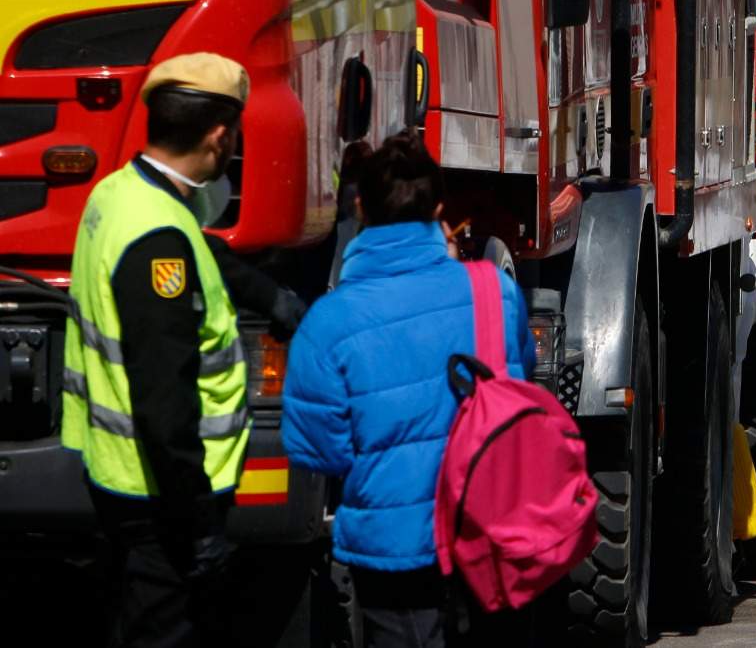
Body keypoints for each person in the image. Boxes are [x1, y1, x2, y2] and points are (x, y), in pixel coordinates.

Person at [282, 131, 536, 646]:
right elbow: (520, 382)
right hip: (490, 528)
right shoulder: (494, 291)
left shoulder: (328, 322)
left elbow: (318, 449)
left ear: (360, 208)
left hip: (391, 543)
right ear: (438, 207)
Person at [63, 52, 257, 647]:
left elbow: (202, 250)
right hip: (160, 498)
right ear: (220, 136)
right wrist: (198, 522)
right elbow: (164, 400)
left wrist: (273, 295)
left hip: (117, 478)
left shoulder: (119, 194)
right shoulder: (157, 245)